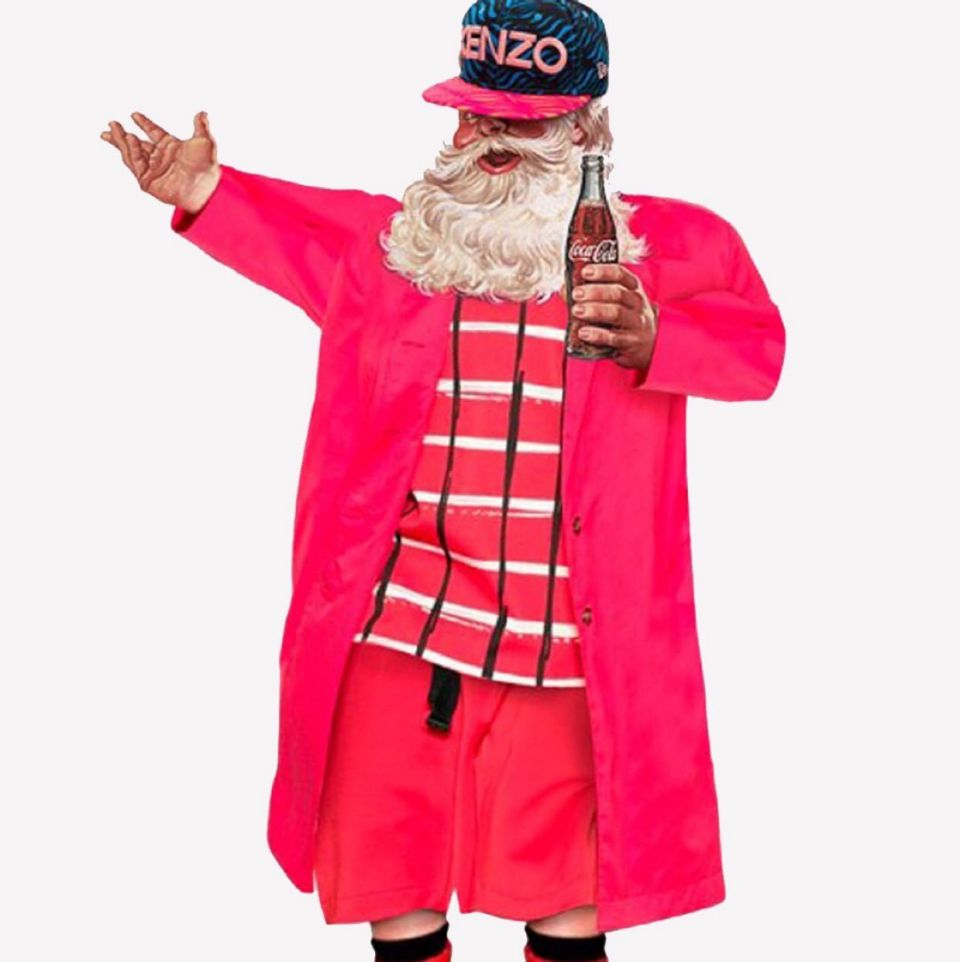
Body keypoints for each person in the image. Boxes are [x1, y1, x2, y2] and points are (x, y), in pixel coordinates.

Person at [101, 2, 786, 960]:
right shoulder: (397, 249)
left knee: (570, 887)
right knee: (396, 873)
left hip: (567, 638)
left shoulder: (664, 249)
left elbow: (759, 350)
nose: (490, 139)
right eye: (475, 115)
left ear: (584, 127)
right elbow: (291, 229)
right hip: (399, 622)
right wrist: (204, 187)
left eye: (522, 120)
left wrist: (656, 337)